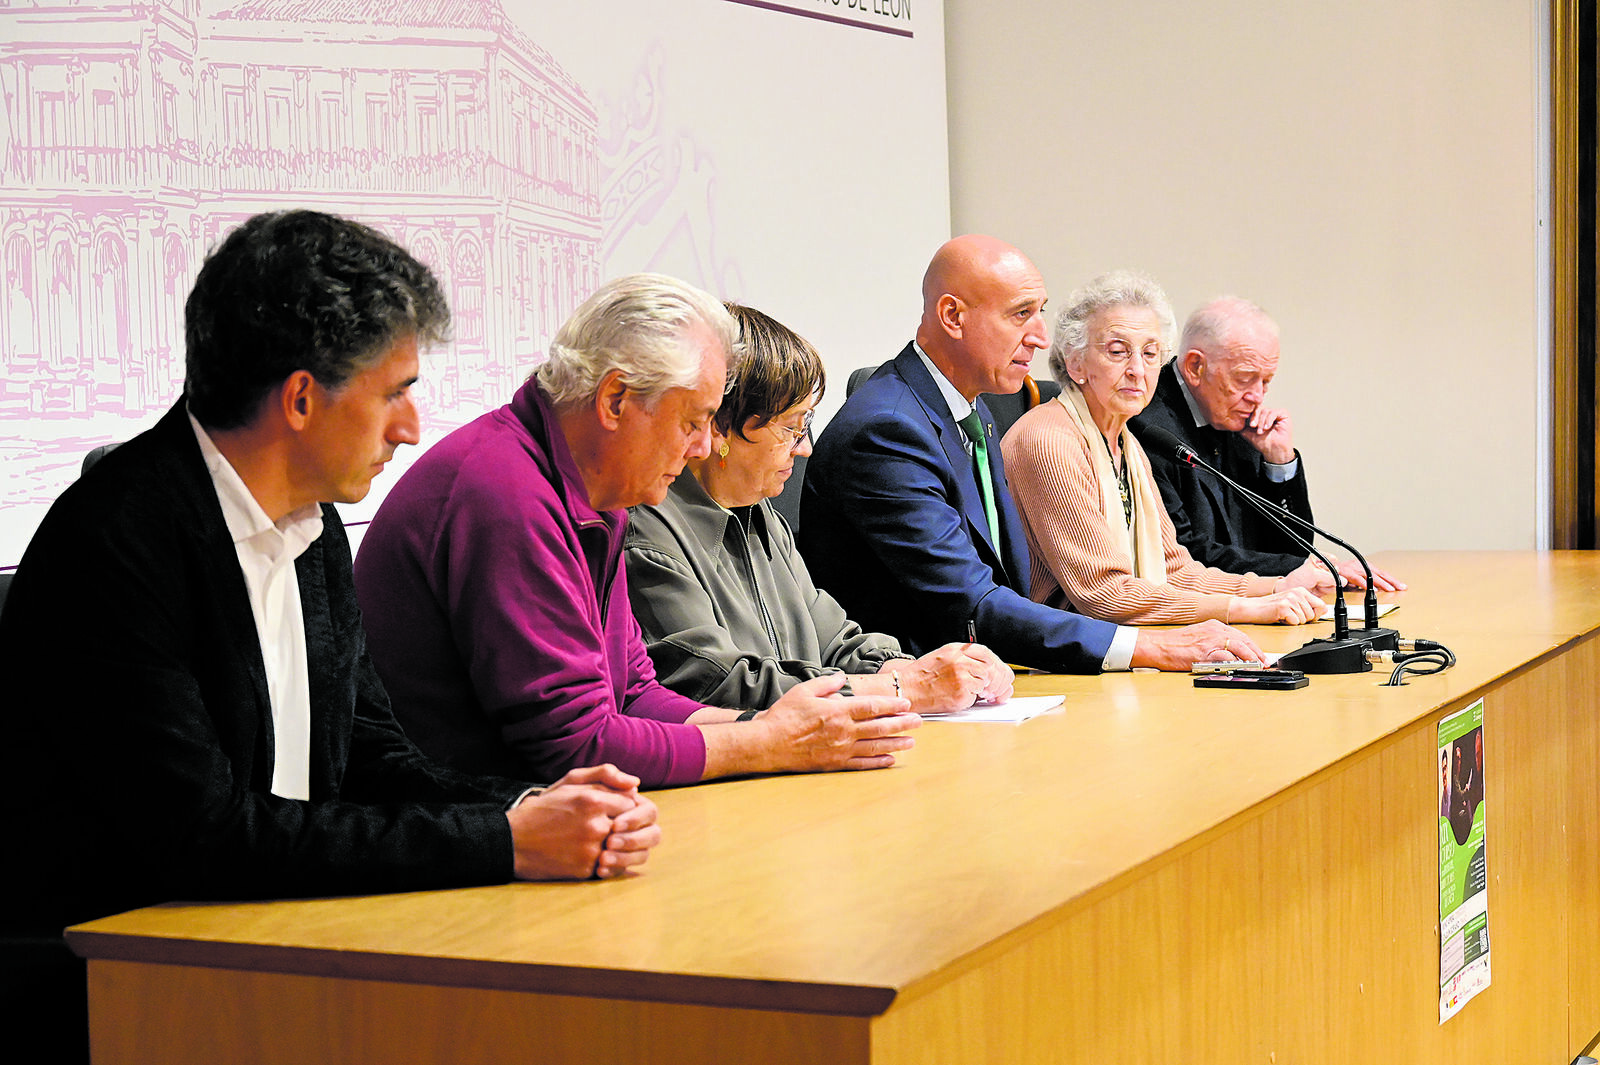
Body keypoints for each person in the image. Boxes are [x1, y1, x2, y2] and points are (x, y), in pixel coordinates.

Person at [0, 211, 659, 1060]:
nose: (412, 426)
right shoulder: (114, 543)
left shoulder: (312, 523)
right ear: (303, 398)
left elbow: (372, 757)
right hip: (125, 989)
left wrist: (533, 808)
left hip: (282, 940)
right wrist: (503, 841)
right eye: (394, 392)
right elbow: (205, 837)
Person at [355, 275, 918, 790]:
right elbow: (576, 746)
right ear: (615, 400)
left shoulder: (600, 490)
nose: (703, 448)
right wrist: (767, 741)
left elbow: (636, 693)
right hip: (472, 825)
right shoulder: (505, 494)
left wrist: (771, 726)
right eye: (692, 421)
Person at [799, 234, 1269, 673]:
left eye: (1040, 312)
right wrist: (1147, 647)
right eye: (1021, 313)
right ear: (952, 316)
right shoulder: (888, 431)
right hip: (912, 693)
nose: (1042, 338)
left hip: (994, 676)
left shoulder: (973, 411)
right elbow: (973, 603)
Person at [625, 302, 1014, 713]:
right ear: (720, 425)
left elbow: (837, 642)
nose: (805, 447)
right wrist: (902, 688)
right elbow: (719, 683)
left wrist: (918, 669)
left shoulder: (763, 517)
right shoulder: (647, 528)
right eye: (792, 427)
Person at [1001, 270, 1330, 626]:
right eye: (1117, 352)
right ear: (1075, 362)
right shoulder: (1050, 441)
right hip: (1057, 659)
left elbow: (1176, 571)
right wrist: (1245, 609)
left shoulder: (1125, 444)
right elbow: (1102, 593)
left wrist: (1277, 588)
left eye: (1150, 353)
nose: (1138, 370)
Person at [1128, 297, 1404, 591]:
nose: (1257, 396)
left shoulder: (1234, 415)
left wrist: (1279, 462)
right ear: (1196, 366)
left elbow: (1291, 546)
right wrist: (1309, 568)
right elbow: (1185, 555)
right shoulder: (1146, 426)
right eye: (1245, 379)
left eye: (1266, 382)